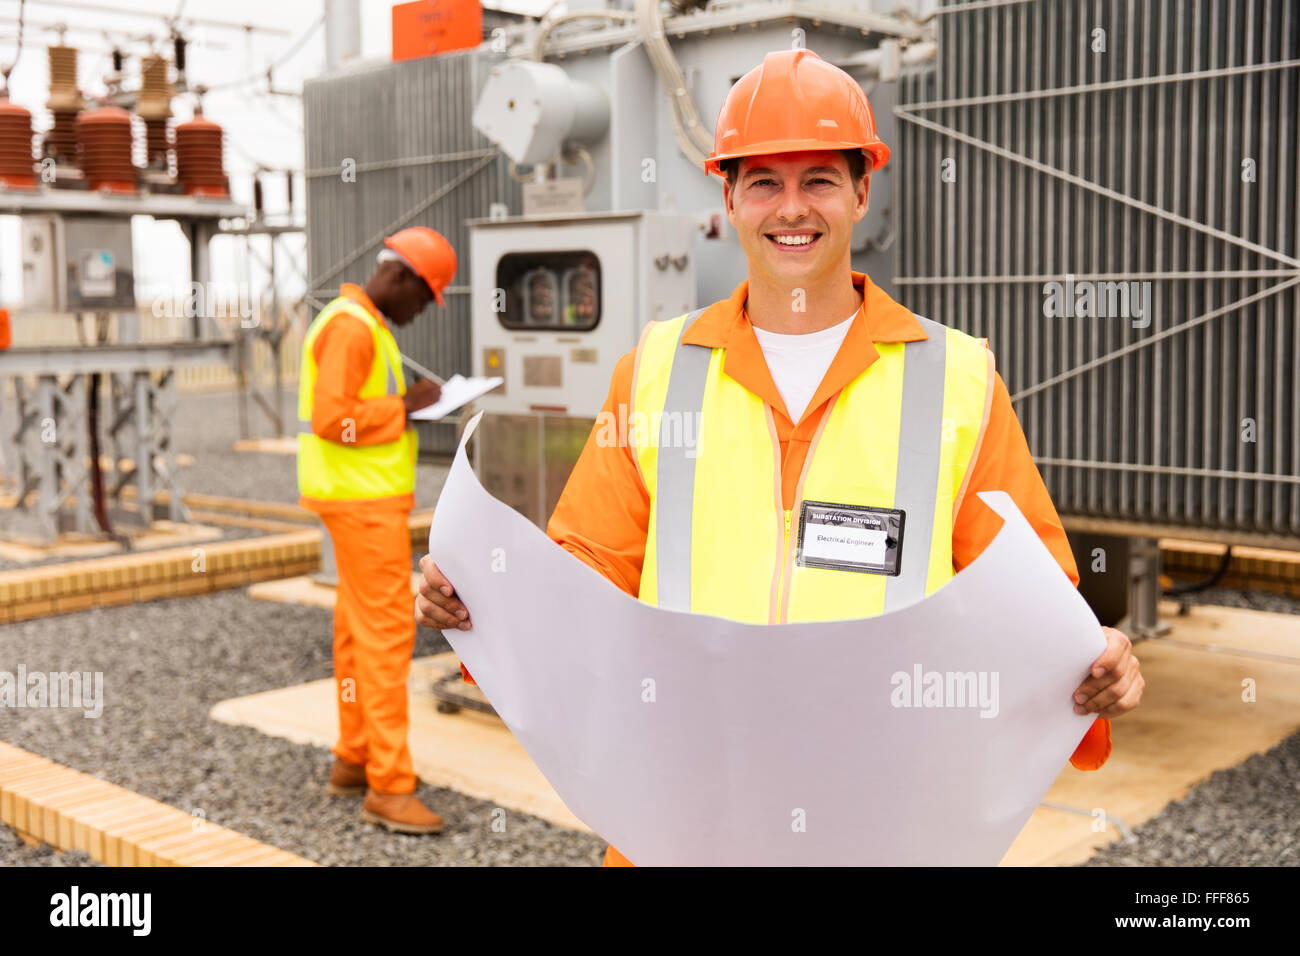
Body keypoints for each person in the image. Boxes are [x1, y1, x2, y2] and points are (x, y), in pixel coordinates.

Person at [416, 50, 1145, 864]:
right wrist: (481, 598)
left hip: (881, 819)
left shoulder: (959, 381)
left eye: (819, 180)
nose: (791, 208)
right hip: (676, 814)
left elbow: (1032, 603)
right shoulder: (655, 371)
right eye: (764, 180)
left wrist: (1098, 662)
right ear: (727, 195)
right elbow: (583, 575)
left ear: (863, 191)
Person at [298, 226, 456, 834]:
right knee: (388, 638)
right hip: (364, 507)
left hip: (356, 503)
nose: (420, 312)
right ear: (399, 277)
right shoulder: (351, 327)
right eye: (424, 298)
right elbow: (332, 420)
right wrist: (408, 407)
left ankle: (354, 757)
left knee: (355, 634)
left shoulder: (360, 324)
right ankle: (390, 788)